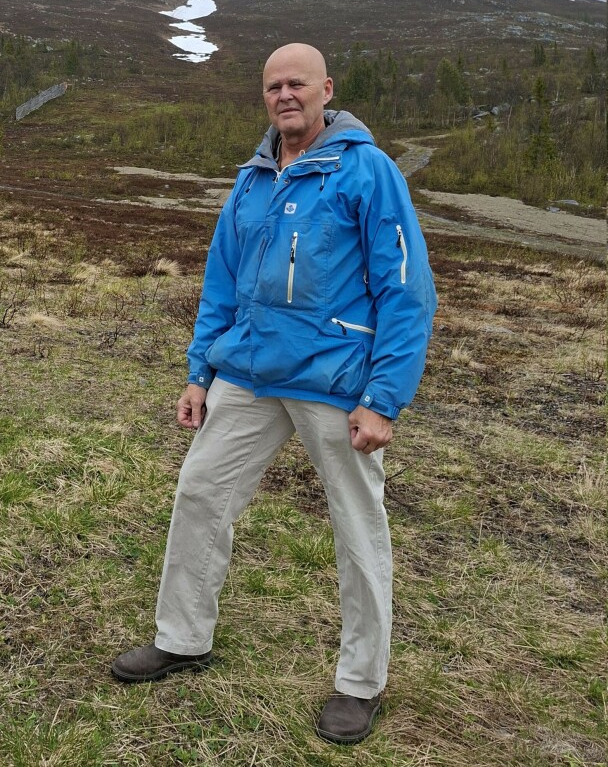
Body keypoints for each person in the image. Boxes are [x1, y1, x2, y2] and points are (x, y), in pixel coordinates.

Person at [111, 43, 436, 745]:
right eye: (272, 87)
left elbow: (406, 289)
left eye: (297, 84)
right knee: (199, 492)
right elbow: (221, 284)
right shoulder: (253, 180)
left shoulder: (367, 172)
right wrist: (201, 372)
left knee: (357, 527)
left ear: (326, 89)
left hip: (334, 381)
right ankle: (183, 637)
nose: (284, 95)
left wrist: (383, 398)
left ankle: (360, 682)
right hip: (249, 373)